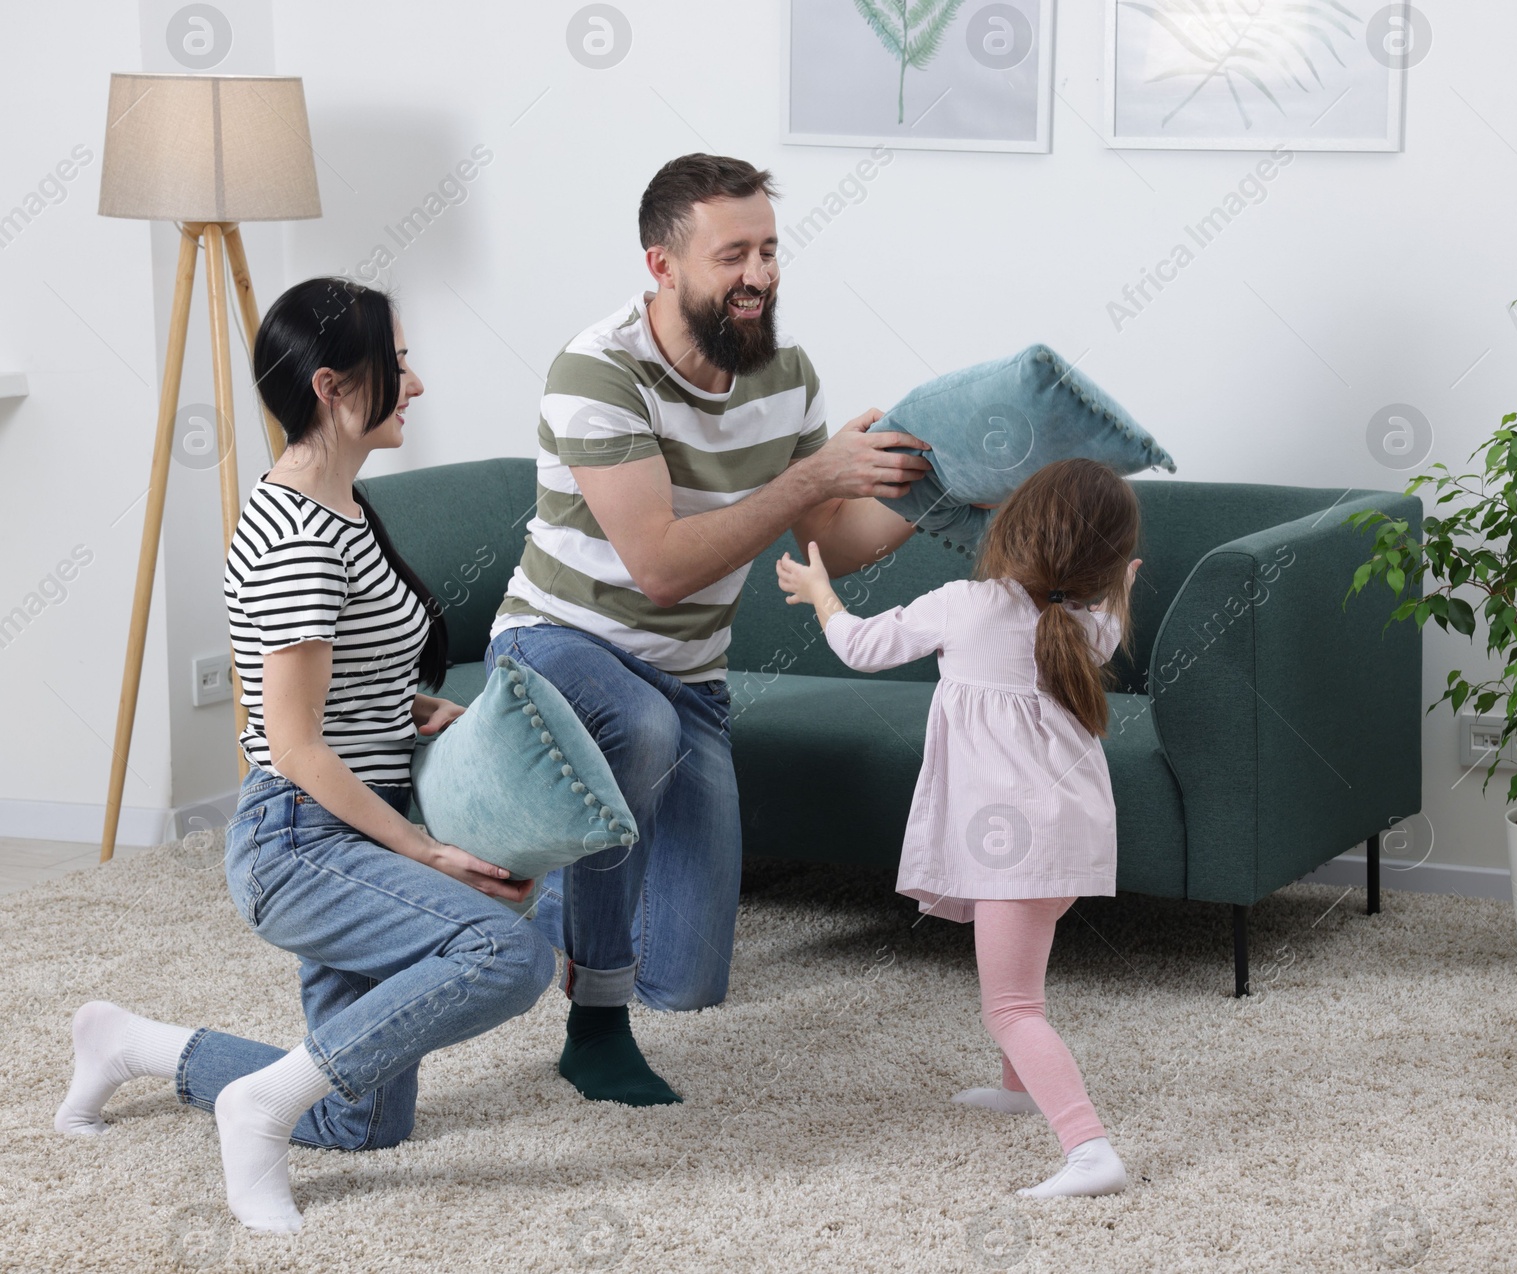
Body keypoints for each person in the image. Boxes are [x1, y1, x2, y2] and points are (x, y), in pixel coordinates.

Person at [54, 278, 552, 1234]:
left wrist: (412, 709)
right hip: (303, 846)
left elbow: (333, 682)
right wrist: (427, 851)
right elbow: (293, 746)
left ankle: (132, 1043)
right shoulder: (295, 537)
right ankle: (258, 1108)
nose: (417, 383)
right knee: (507, 951)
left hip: (349, 826)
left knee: (362, 1121)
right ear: (332, 384)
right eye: (397, 364)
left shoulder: (346, 511)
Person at [488, 153, 945, 1107]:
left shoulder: (785, 374)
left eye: (770, 250)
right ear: (662, 265)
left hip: (689, 678)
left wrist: (946, 490)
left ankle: (517, 883)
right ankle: (595, 1025)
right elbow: (658, 569)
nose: (761, 275)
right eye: (733, 253)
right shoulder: (599, 370)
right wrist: (811, 477)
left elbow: (835, 542)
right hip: (555, 649)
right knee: (636, 733)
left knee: (688, 984)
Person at [776, 458, 1142, 1199]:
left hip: (1013, 850)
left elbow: (860, 647)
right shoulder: (1088, 625)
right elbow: (1107, 608)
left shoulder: (965, 605)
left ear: (1011, 530)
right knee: (1025, 982)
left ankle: (1090, 1148)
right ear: (1107, 565)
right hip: (1071, 837)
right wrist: (1123, 587)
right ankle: (1018, 1088)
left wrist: (821, 593)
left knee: (1009, 1006)